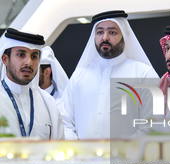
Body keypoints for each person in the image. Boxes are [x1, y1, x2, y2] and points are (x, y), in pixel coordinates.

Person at [61, 10, 159, 140]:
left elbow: (153, 123)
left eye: (112, 32)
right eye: (100, 32)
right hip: (84, 158)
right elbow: (64, 120)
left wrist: (124, 153)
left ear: (124, 38)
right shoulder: (79, 75)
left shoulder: (144, 74)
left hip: (128, 158)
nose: (105, 38)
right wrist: (79, 152)